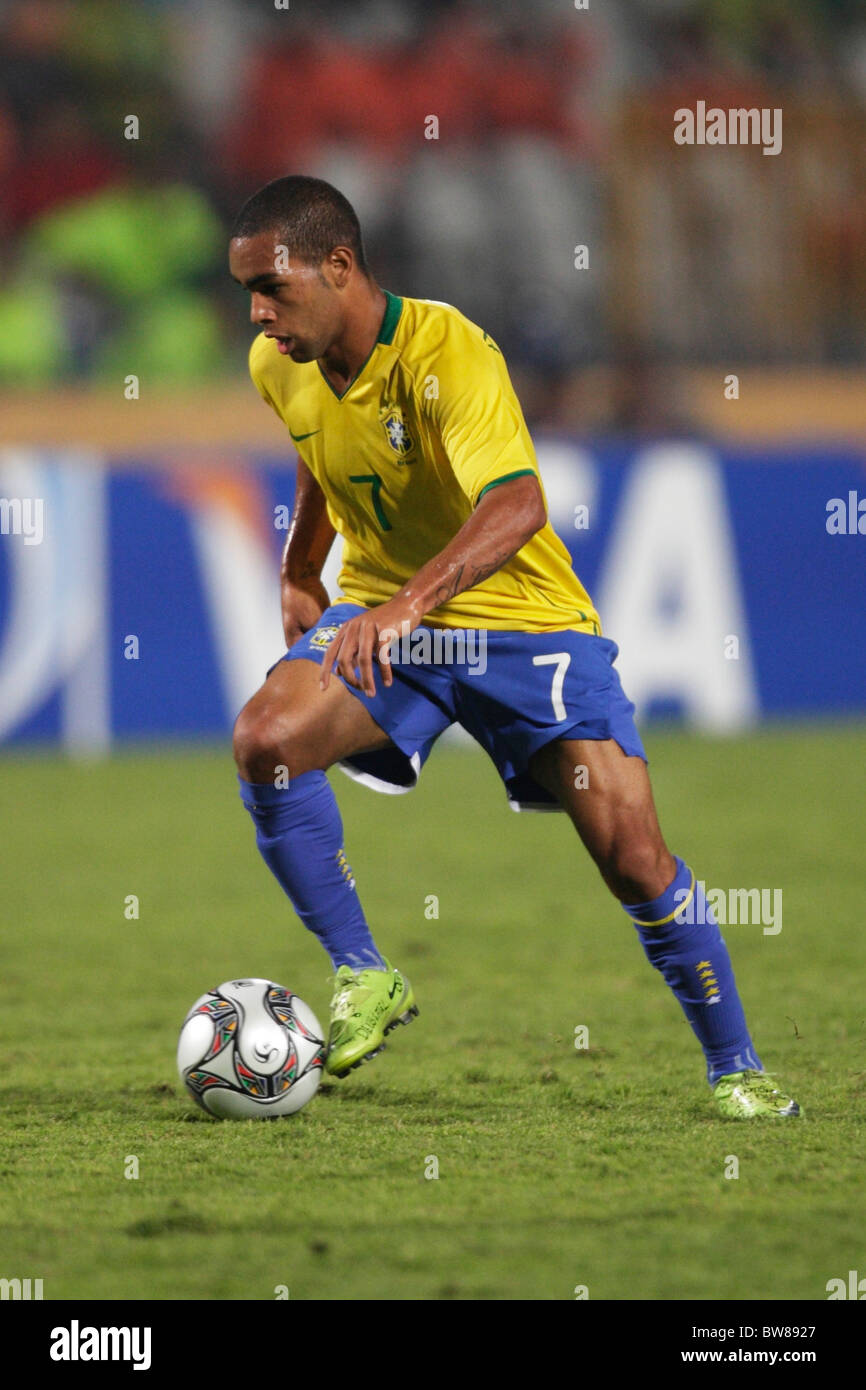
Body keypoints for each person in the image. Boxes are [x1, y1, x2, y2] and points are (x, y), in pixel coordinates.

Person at [229, 175, 799, 1119]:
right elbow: (318, 445)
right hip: (389, 618)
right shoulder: (277, 361)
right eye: (246, 290)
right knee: (266, 741)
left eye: (274, 289)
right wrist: (302, 562)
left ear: (338, 267)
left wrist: (411, 604)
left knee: (634, 858)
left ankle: (736, 1067)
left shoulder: (448, 349)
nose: (258, 314)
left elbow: (519, 502)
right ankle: (364, 974)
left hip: (522, 626)